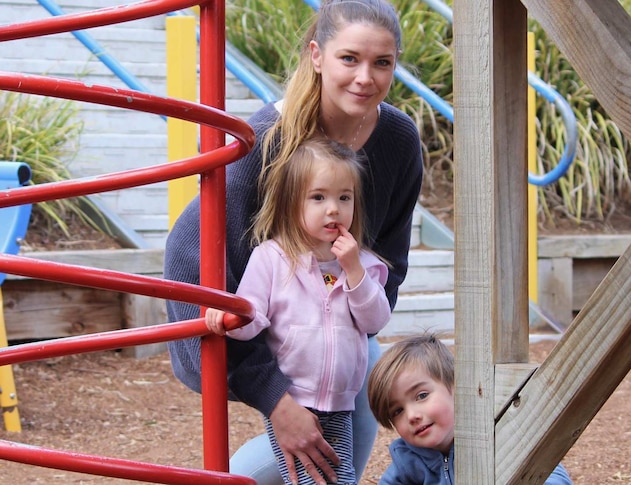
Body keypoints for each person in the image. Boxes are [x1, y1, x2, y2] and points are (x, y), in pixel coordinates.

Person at [163, 0, 423, 483]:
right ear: (316, 55)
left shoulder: (398, 140)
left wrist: (356, 323)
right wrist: (274, 397)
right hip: (249, 319)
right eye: (349, 58)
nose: (365, 77)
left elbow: (390, 257)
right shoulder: (265, 140)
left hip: (331, 314)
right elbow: (191, 255)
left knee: (351, 410)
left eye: (382, 62)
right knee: (297, 433)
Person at [204, 138, 390, 485]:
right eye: (318, 197)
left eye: (344, 197)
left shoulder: (364, 265)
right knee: (312, 479)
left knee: (336, 476)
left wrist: (353, 272)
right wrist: (229, 318)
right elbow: (253, 315)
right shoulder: (273, 258)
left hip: (339, 399)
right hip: (292, 395)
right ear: (293, 204)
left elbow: (375, 320)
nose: (333, 209)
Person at [367, 334, 574, 484]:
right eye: (397, 411)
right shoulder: (408, 459)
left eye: (422, 396)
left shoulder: (496, 435)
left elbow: (550, 474)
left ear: (456, 388)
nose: (412, 415)